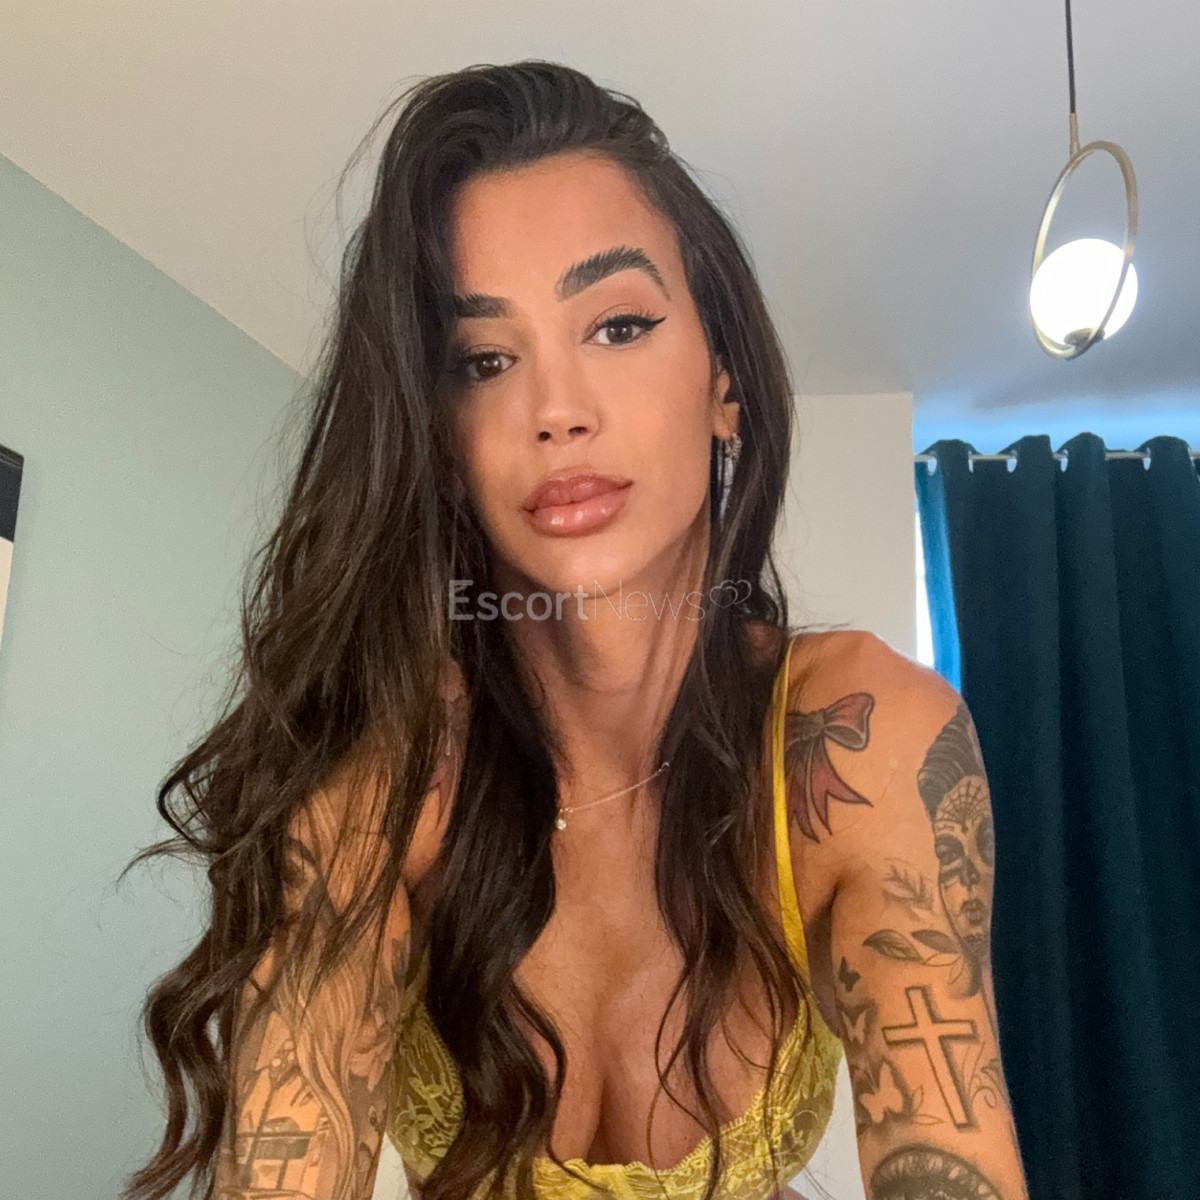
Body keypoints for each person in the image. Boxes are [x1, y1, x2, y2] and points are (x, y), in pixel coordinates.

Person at [122, 61, 1029, 1200]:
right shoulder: (382, 777)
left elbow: (953, 1146)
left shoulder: (864, 740)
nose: (555, 410)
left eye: (619, 325)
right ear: (440, 439)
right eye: (485, 361)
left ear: (725, 383)